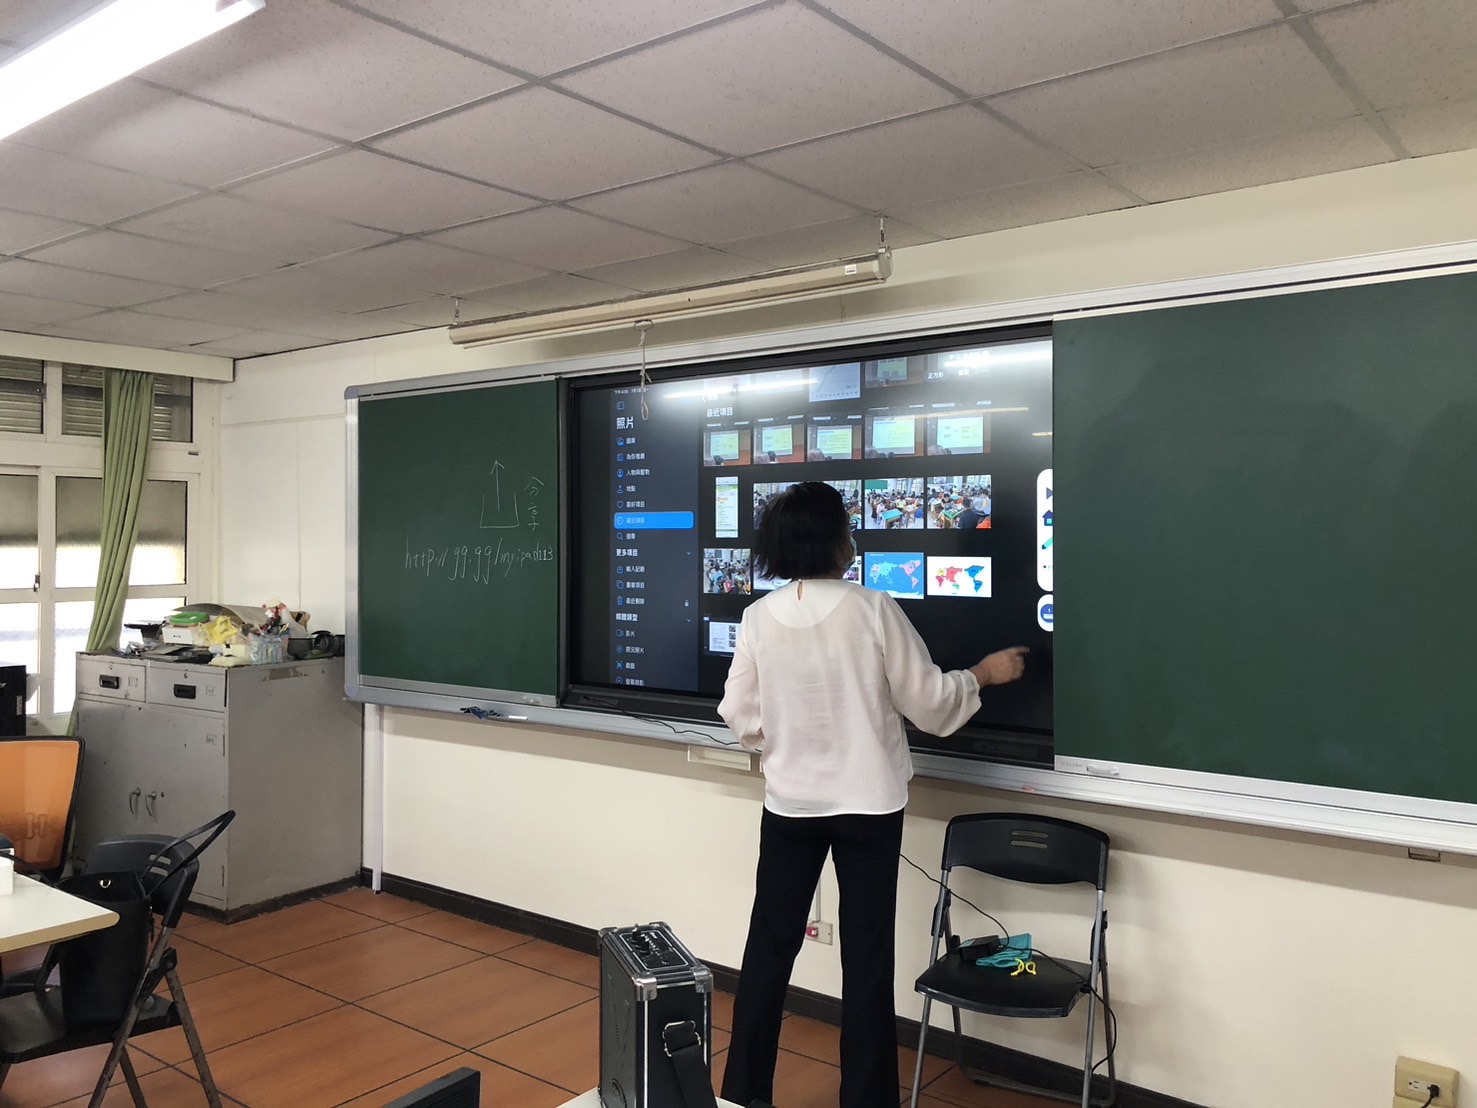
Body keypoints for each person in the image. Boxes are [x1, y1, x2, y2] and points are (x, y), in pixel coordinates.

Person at [717, 482, 1027, 1108]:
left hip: (790, 807)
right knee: (866, 962)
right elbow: (930, 703)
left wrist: (786, 741)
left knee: (768, 951)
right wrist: (984, 674)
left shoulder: (757, 617)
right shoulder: (874, 608)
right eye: (847, 527)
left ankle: (743, 1095)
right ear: (834, 540)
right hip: (869, 809)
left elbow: (739, 715)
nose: (853, 537)